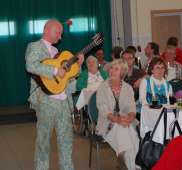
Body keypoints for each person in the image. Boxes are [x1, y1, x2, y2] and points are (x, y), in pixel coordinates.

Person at [25, 19, 84, 170]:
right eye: (59, 33)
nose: (60, 37)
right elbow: (31, 65)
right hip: (45, 101)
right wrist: (55, 71)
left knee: (66, 143)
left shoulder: (58, 53)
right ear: (48, 30)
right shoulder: (34, 46)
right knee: (43, 143)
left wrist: (78, 67)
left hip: (63, 101)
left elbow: (66, 79)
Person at [96, 59, 139, 170]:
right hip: (107, 123)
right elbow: (103, 109)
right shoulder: (102, 87)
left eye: (116, 69)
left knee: (129, 131)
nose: (112, 71)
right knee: (126, 131)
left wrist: (129, 118)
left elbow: (132, 107)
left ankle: (123, 156)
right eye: (111, 68)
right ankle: (130, 164)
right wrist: (118, 120)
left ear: (122, 72)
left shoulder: (128, 88)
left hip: (125, 121)